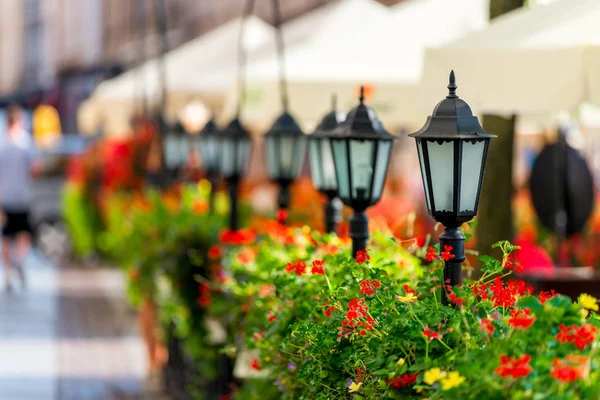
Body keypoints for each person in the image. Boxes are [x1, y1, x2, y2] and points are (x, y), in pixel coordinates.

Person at [0, 104, 42, 291]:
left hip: (4, 197)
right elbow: (35, 168)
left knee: (6, 236)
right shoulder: (25, 141)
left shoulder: (1, 142)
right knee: (23, 234)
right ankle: (19, 262)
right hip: (22, 196)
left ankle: (9, 270)